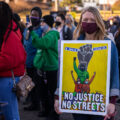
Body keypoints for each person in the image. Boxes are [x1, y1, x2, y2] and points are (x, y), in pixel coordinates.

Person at [54, 6, 120, 120]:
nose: (88, 22)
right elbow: (64, 72)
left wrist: (112, 102)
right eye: (85, 20)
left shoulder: (109, 45)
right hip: (79, 105)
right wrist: (58, 97)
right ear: (80, 22)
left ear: (98, 22)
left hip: (101, 105)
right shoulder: (73, 44)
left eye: (92, 20)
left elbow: (114, 74)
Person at [28, 15, 60, 120]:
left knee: (51, 92)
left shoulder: (52, 34)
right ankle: (46, 110)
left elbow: (42, 44)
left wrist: (32, 32)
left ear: (48, 23)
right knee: (43, 91)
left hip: (50, 68)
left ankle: (54, 114)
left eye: (43, 22)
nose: (41, 24)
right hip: (44, 67)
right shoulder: (46, 33)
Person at [0, 1, 26, 120]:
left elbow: (9, 59)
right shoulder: (6, 31)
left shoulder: (10, 33)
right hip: (5, 79)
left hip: (7, 81)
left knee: (10, 114)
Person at [23, 7, 43, 111]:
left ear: (40, 17)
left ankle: (38, 105)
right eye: (32, 15)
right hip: (28, 62)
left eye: (35, 15)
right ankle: (33, 104)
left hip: (37, 63)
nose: (33, 17)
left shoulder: (41, 30)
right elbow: (24, 43)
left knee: (37, 85)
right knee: (29, 85)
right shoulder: (27, 29)